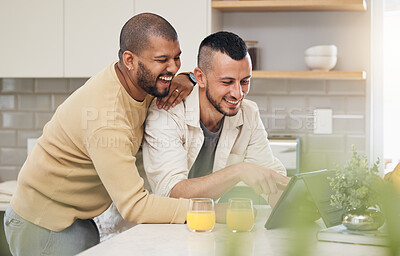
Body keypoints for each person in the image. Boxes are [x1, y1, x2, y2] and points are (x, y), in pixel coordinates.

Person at [3, 13, 196, 256]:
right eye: (162, 60)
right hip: (43, 225)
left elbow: (173, 78)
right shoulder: (106, 117)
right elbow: (135, 206)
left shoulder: (140, 81)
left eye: (177, 58)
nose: (173, 67)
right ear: (129, 60)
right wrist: (203, 209)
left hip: (76, 219)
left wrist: (188, 78)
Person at [143, 31, 290, 205]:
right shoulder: (166, 113)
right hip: (157, 226)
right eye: (227, 82)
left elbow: (271, 181)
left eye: (244, 81)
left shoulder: (248, 113)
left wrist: (297, 198)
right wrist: (239, 171)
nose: (238, 94)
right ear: (200, 78)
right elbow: (170, 193)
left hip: (205, 222)